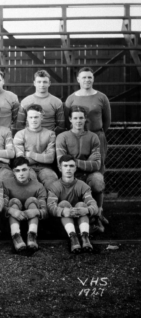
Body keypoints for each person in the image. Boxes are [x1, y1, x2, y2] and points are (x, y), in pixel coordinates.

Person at [56, 105, 106, 233]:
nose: (78, 121)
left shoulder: (93, 137)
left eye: (81, 118)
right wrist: (86, 161)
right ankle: (67, 220)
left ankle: (96, 215)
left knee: (97, 180)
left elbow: (96, 165)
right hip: (70, 174)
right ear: (70, 119)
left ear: (85, 120)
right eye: (75, 118)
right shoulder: (62, 137)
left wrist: (74, 161)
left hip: (89, 173)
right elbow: (61, 163)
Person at [47, 154, 99, 253]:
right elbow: (50, 207)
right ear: (60, 168)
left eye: (71, 166)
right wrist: (63, 211)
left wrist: (87, 210)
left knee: (81, 205)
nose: (68, 169)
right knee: (63, 203)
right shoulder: (54, 187)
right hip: (63, 227)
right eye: (65, 166)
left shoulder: (83, 186)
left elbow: (94, 205)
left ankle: (85, 237)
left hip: (80, 223)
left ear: (75, 168)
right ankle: (73, 238)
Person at [65, 67, 111, 172]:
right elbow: (67, 120)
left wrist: (97, 132)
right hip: (77, 137)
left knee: (98, 166)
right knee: (78, 166)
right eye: (84, 77)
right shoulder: (71, 98)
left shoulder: (102, 97)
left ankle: (98, 187)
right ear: (78, 79)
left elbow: (107, 120)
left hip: (97, 136)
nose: (87, 80)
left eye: (89, 77)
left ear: (93, 79)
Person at [2, 157, 48, 252]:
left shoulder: (38, 186)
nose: (21, 173)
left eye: (24, 169)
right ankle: (16, 236)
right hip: (13, 218)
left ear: (29, 170)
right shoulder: (6, 184)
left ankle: (32, 235)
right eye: (17, 170)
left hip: (31, 217)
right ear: (13, 172)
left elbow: (45, 210)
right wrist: (11, 211)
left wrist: (36, 211)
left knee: (32, 200)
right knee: (14, 201)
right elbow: (2, 206)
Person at [13, 104, 58, 189]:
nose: (33, 120)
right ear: (27, 118)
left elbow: (50, 159)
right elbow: (21, 161)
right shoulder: (20, 134)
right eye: (31, 117)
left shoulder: (50, 134)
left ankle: (50, 201)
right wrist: (42, 156)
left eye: (36, 117)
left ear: (42, 117)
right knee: (30, 181)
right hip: (27, 168)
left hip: (46, 168)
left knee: (51, 180)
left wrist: (30, 154)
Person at [16, 70, 65, 134]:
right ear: (34, 83)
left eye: (45, 82)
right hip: (29, 137)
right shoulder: (25, 101)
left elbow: (61, 125)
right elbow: (20, 125)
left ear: (49, 83)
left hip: (49, 137)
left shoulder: (57, 102)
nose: (42, 85)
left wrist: (51, 136)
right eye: (39, 82)